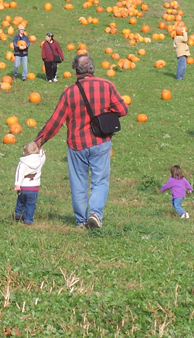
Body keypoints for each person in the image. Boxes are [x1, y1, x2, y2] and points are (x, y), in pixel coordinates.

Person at [34, 54, 128, 229]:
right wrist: (105, 113)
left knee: (78, 183)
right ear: (92, 68)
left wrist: (39, 141)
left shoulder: (69, 92)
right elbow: (123, 109)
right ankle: (95, 213)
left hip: (77, 144)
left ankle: (81, 221)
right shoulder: (107, 86)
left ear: (75, 70)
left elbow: (56, 121)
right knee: (100, 180)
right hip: (101, 142)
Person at [14, 141, 46, 225]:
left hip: (23, 188)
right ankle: (28, 220)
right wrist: (42, 151)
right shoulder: (39, 161)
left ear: (24, 152)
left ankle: (18, 214)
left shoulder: (23, 162)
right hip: (33, 189)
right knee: (30, 205)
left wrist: (17, 184)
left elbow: (19, 173)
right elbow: (43, 158)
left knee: (21, 201)